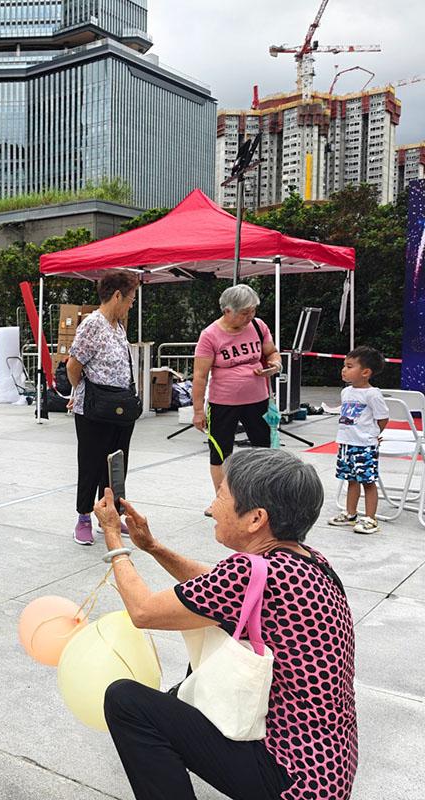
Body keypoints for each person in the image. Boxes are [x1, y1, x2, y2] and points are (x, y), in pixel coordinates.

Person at [92, 448, 356, 800]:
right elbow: (211, 588)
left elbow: (142, 611)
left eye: (221, 496)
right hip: (327, 770)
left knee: (126, 701)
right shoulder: (308, 562)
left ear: (256, 518)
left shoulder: (251, 572)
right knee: (199, 655)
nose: (210, 508)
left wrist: (113, 535)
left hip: (289, 780)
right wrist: (153, 547)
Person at [67, 269, 140, 545]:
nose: (131, 303)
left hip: (120, 407)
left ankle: (109, 514)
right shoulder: (93, 324)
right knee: (91, 463)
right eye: (131, 298)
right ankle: (84, 516)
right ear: (117, 295)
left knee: (116, 465)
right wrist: (82, 390)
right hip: (94, 408)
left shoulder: (118, 326)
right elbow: (74, 366)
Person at [192, 285, 281, 510]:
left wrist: (274, 365)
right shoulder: (210, 335)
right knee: (220, 452)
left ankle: (263, 498)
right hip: (223, 402)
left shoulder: (258, 326)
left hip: (258, 399)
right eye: (244, 313)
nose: (249, 317)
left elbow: (271, 352)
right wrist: (198, 410)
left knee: (263, 449)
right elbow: (200, 376)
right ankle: (222, 501)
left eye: (252, 311)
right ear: (227, 311)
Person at [328, 346, 388, 534]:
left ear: (366, 372)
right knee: (350, 479)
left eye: (349, 366)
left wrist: (374, 435)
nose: (344, 370)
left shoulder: (372, 394)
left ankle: (371, 518)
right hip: (346, 443)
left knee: (367, 481)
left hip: (364, 445)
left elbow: (383, 417)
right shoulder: (346, 392)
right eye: (344, 365)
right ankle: (350, 513)